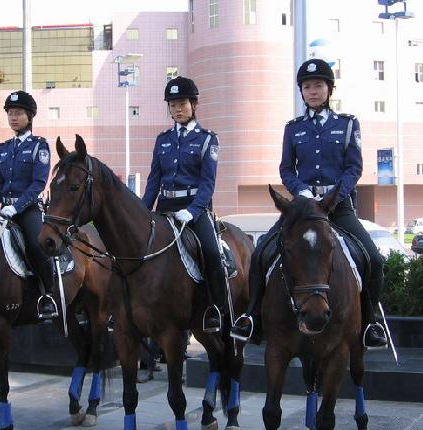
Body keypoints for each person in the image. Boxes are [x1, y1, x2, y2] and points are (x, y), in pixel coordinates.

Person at [230, 59, 388, 350]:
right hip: (302, 208)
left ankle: (370, 322)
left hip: (336, 207)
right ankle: (252, 316)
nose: (313, 91)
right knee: (263, 249)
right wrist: (301, 192)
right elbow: (286, 168)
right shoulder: (293, 128)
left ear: (329, 89)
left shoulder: (348, 124)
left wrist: (333, 198)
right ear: (301, 92)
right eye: (307, 86)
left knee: (373, 259)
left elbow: (354, 168)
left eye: (318, 85)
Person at [141, 76, 226, 333]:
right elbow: (154, 181)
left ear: (194, 105)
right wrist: (143, 211)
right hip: (165, 208)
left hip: (194, 209)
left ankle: (216, 309)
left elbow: (208, 183)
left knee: (212, 253)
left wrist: (193, 210)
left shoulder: (207, 139)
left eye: (182, 104)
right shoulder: (162, 139)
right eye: (173, 104)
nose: (177, 109)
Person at [0, 90, 58, 319]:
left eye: (18, 113)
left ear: (30, 116)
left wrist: (15, 207)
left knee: (38, 246)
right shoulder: (4, 148)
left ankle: (49, 294)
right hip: (1, 210)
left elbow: (38, 184)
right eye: (10, 113)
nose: (13, 117)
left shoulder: (40, 146)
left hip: (26, 210)